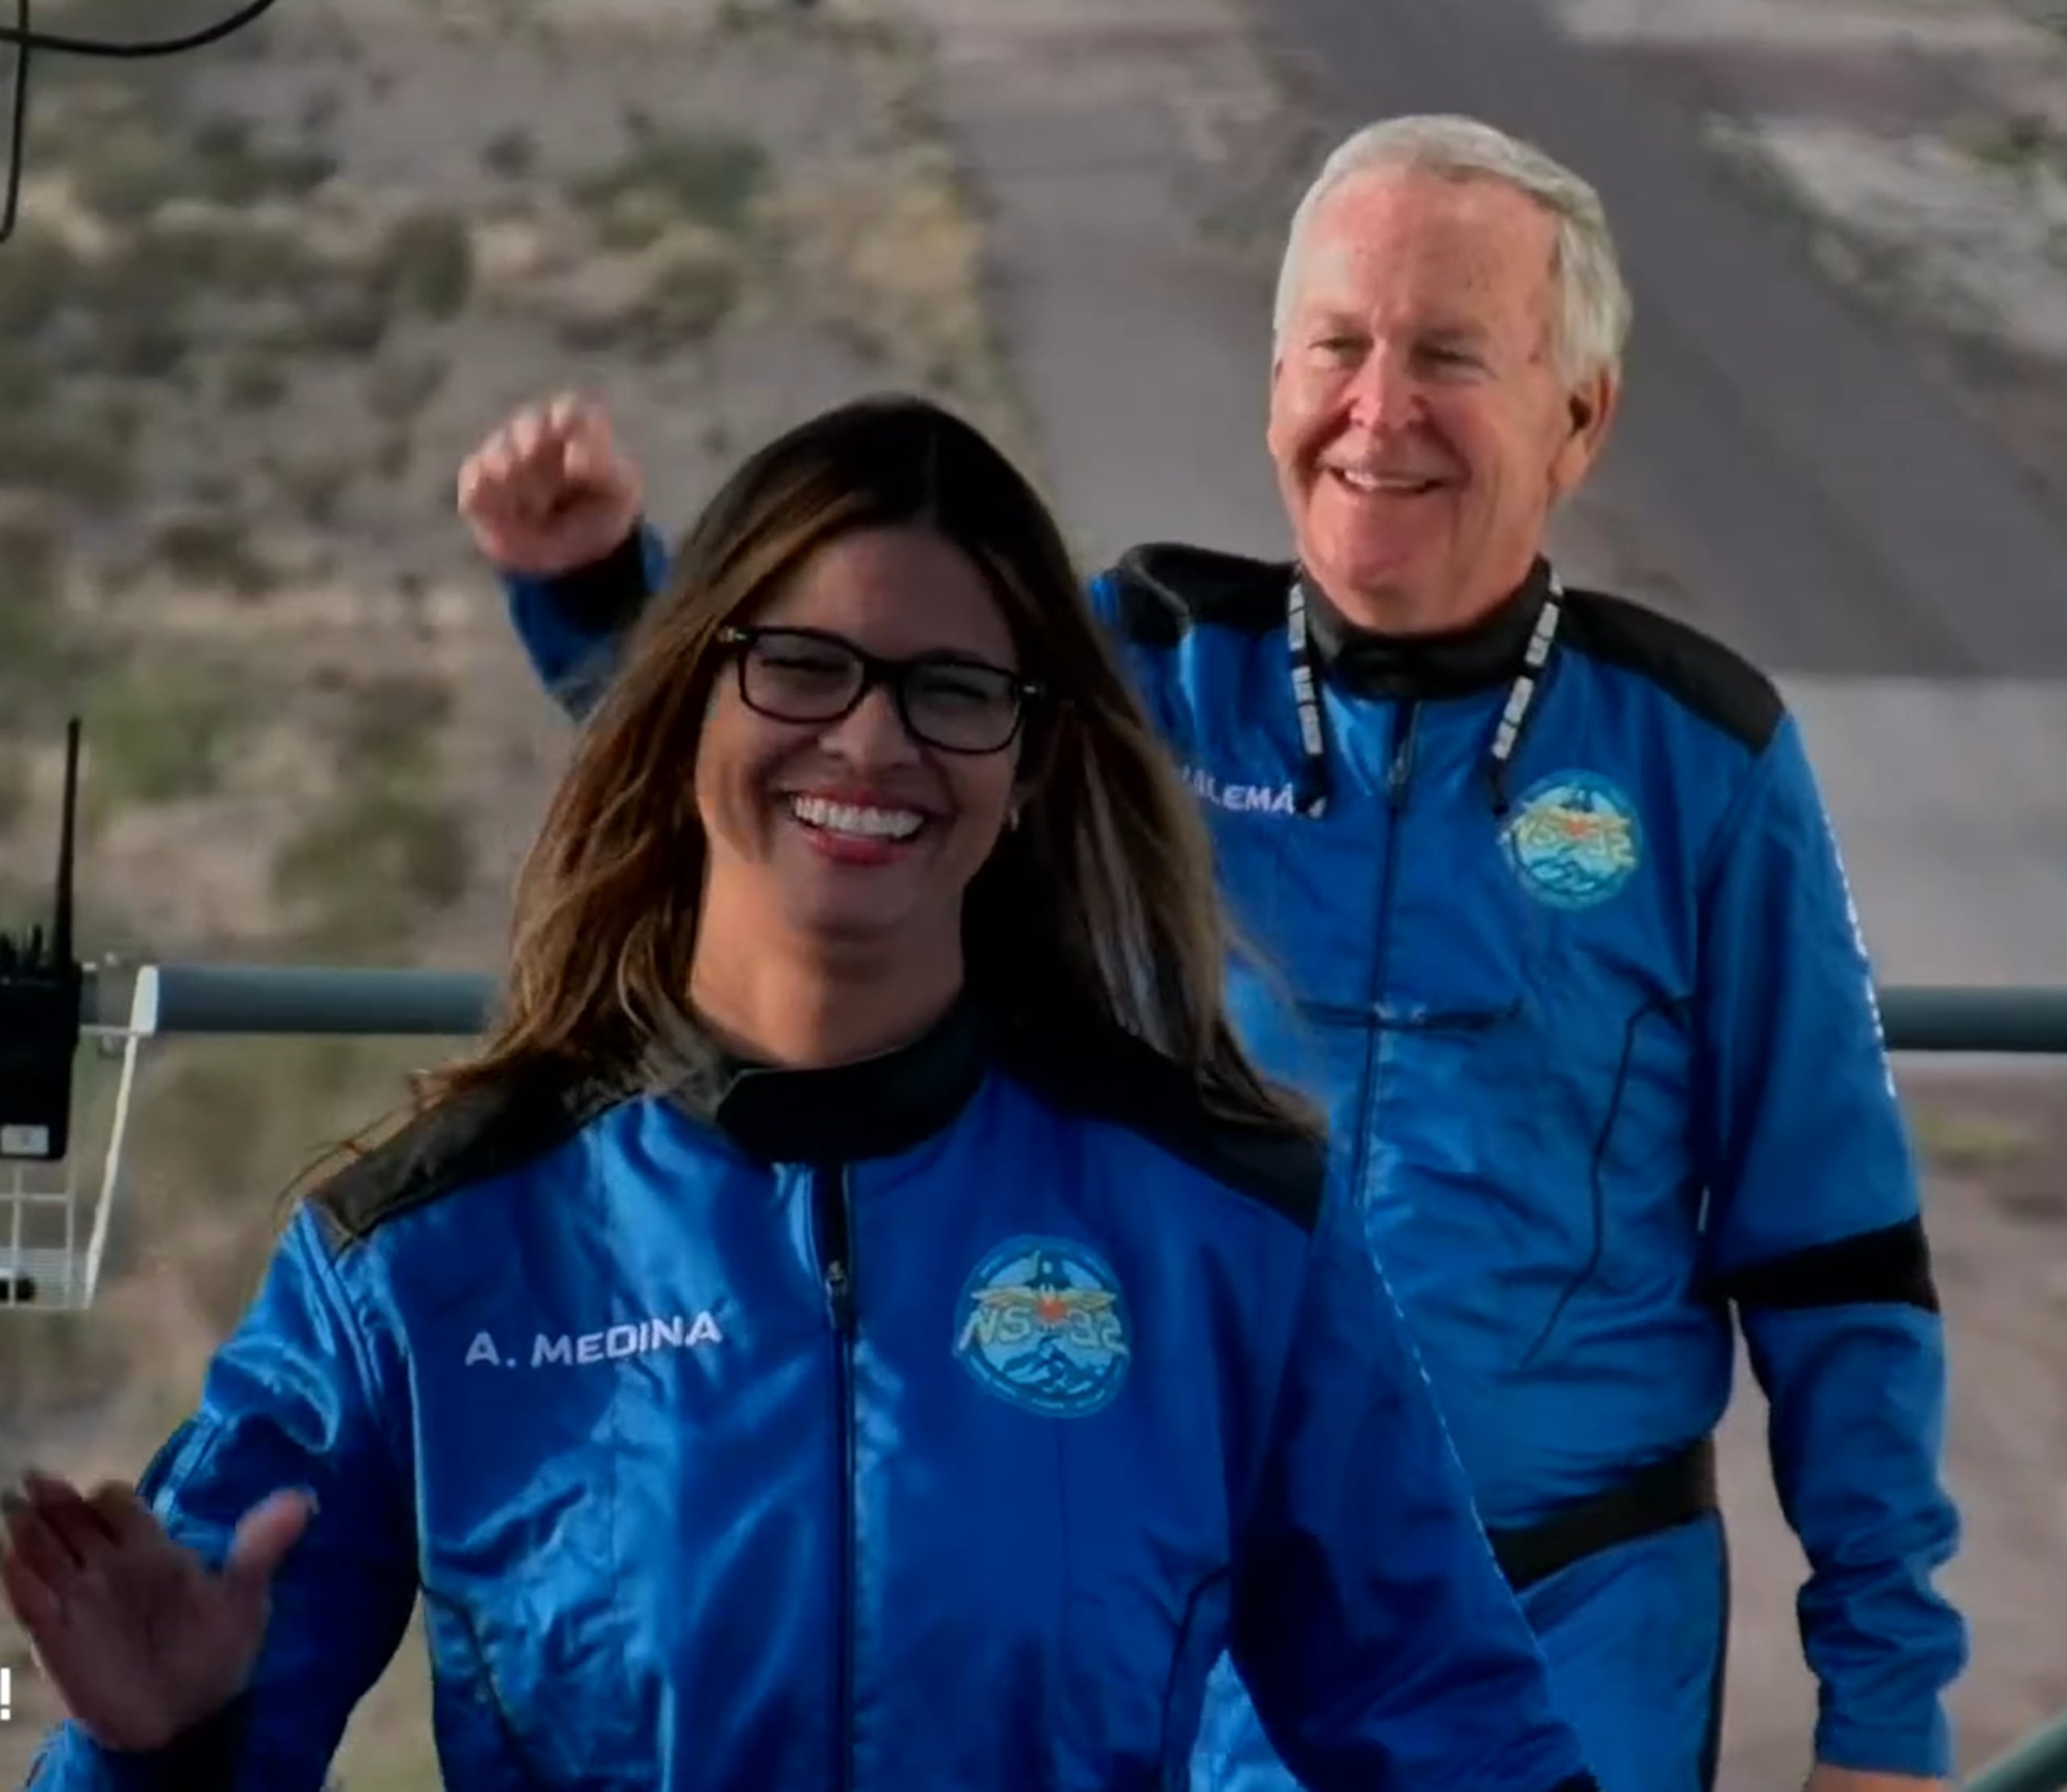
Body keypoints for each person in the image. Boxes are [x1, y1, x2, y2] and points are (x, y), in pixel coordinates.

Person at [459, 115, 1968, 1792]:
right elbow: (813, 776)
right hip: (1184, 1605)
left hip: (1570, 1610)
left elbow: (1831, 1254)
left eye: (1447, 353)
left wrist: (1882, 1717)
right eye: (1335, 344)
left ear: (1578, 415)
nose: (1375, 409)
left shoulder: (1697, 754)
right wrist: (599, 588)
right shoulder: (1136, 676)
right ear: (1272, 381)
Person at [3, 395, 1602, 1792]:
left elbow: (1454, 1737)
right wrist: (155, 1752)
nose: (868, 739)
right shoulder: (426, 1258)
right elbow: (189, 1722)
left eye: (950, 692)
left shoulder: (1223, 1234)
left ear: (1030, 758)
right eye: (800, 667)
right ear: (684, 693)